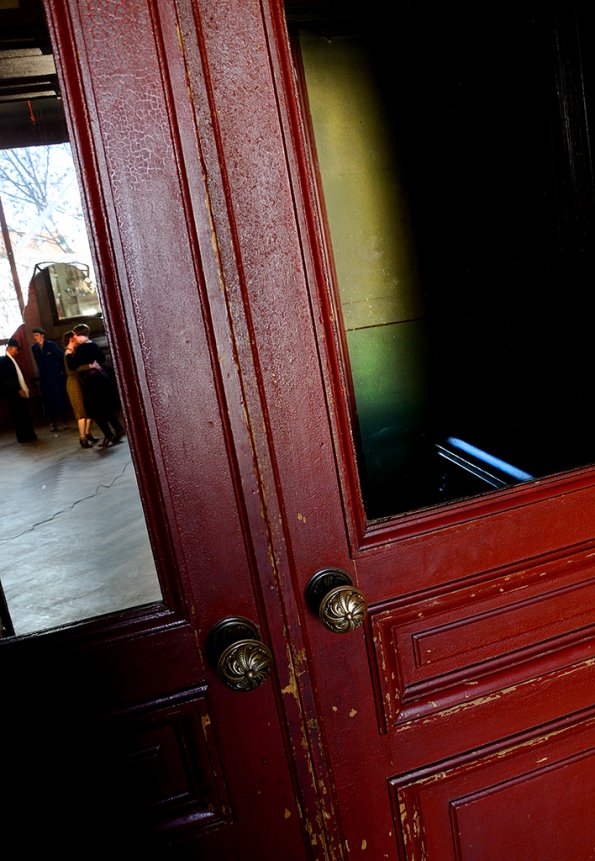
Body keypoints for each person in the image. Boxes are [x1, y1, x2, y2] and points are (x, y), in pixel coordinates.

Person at [66, 323, 124, 447]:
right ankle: (118, 429)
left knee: (94, 411)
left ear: (81, 336)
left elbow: (71, 366)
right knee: (105, 408)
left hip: (91, 382)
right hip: (100, 379)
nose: (74, 338)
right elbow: (102, 359)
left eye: (75, 335)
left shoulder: (81, 349)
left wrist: (69, 350)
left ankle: (108, 435)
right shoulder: (93, 345)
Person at [63, 330, 98, 449]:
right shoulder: (68, 352)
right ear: (71, 340)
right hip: (73, 383)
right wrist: (88, 366)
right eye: (75, 337)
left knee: (87, 410)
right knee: (80, 412)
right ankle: (82, 438)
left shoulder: (73, 351)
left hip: (79, 381)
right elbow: (71, 370)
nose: (77, 338)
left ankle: (87, 434)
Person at [31, 326, 69, 432]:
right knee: (47, 400)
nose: (35, 337)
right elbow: (38, 363)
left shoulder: (51, 345)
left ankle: (65, 420)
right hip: (44, 378)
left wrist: (61, 371)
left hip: (55, 377)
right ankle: (52, 423)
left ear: (42, 335)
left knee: (59, 398)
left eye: (36, 335)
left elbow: (61, 357)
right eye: (33, 336)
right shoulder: (34, 348)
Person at [0, 338, 38, 443]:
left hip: (15, 392)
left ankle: (27, 435)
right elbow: (7, 379)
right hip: (13, 393)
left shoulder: (9, 360)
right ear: (10, 348)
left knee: (23, 414)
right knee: (19, 415)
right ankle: (24, 437)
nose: (17, 352)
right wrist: (18, 389)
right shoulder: (4, 361)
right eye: (16, 349)